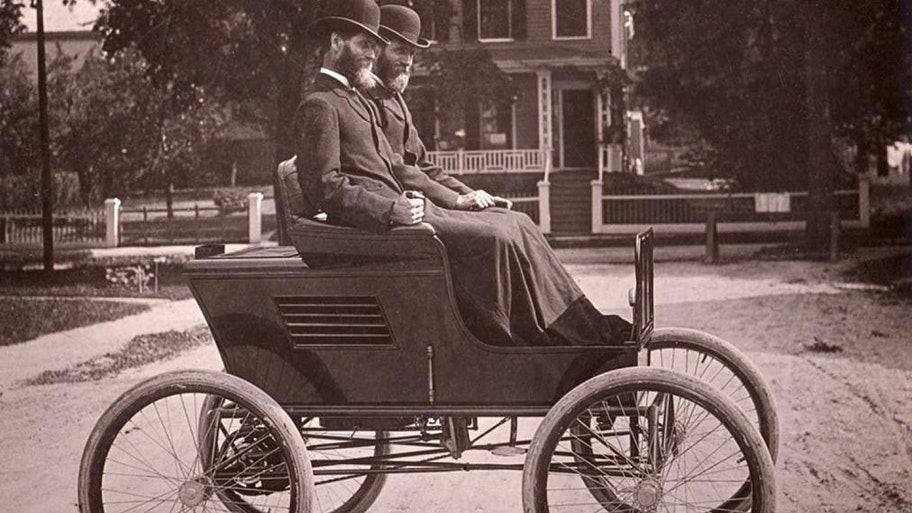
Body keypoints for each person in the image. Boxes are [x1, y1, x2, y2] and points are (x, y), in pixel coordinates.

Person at [295, 0, 630, 347]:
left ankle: (581, 327)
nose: (371, 53)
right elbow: (325, 187)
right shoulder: (321, 104)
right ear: (336, 43)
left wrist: (459, 198)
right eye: (366, 44)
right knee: (496, 239)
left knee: (515, 223)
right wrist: (390, 209)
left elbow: (396, 165)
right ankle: (526, 342)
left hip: (406, 213)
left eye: (376, 46)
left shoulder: (353, 100)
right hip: (385, 229)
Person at [365, 4, 509, 211]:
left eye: (411, 53)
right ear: (376, 50)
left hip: (418, 200)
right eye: (399, 51)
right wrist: (456, 200)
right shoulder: (364, 99)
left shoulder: (395, 98)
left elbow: (424, 166)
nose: (407, 61)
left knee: (510, 218)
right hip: (396, 207)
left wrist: (470, 194)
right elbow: (395, 167)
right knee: (498, 233)